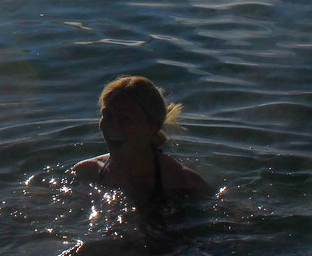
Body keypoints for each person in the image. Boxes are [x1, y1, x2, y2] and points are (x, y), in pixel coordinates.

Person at [72, 76, 211, 203]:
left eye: (125, 118)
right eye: (108, 116)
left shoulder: (184, 182)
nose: (113, 126)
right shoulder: (87, 172)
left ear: (151, 127)